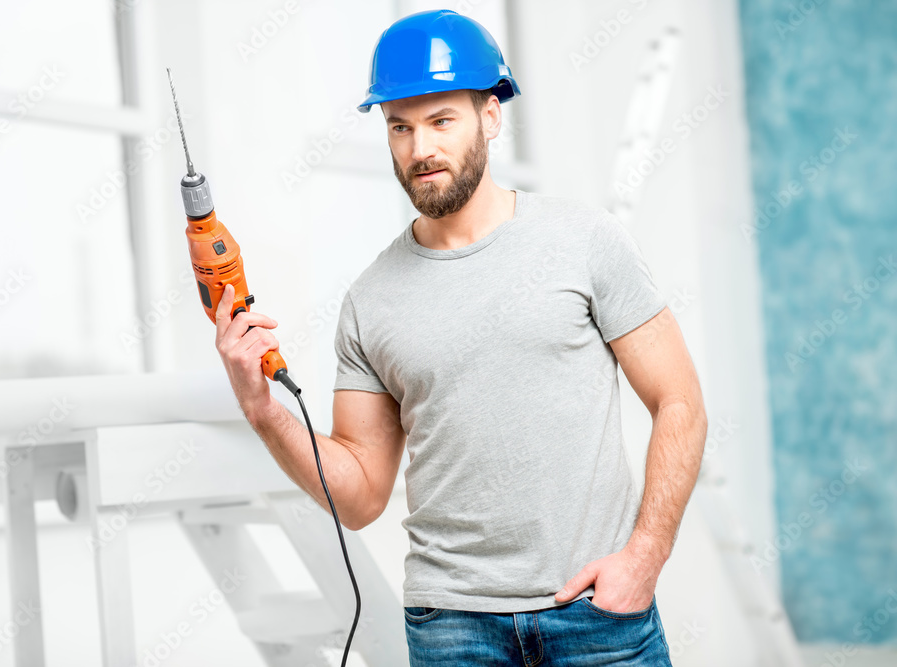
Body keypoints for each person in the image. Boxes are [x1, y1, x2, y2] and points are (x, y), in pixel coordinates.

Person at [215, 9, 707, 666]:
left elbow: (681, 402)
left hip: (597, 617)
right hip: (452, 629)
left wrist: (645, 557)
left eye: (441, 120)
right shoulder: (371, 299)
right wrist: (262, 410)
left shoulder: (584, 241)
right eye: (400, 127)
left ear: (490, 116)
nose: (421, 149)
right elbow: (359, 495)